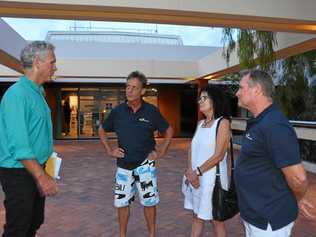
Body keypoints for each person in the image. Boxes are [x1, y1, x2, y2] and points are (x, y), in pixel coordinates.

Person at [234, 69, 315, 237]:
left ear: (257, 90)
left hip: (269, 220)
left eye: (241, 88)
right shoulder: (259, 121)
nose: (237, 93)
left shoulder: (274, 125)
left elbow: (298, 178)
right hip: (255, 215)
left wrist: (299, 198)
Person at [99, 70, 173, 237]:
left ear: (142, 91)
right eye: (127, 87)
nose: (129, 90)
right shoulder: (118, 111)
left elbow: (169, 130)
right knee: (121, 203)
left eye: (134, 87)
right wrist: (110, 150)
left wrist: (161, 152)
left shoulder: (151, 111)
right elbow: (102, 130)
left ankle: (152, 234)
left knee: (149, 202)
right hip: (123, 167)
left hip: (145, 165)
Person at [0, 41, 59, 237]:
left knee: (34, 221)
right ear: (37, 62)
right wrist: (42, 177)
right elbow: (20, 145)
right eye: (52, 62)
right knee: (18, 228)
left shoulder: (37, 93)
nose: (55, 67)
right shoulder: (17, 95)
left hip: (35, 167)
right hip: (19, 172)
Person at [183, 86, 231, 237]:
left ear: (215, 100)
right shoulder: (200, 124)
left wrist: (197, 172)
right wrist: (190, 172)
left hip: (212, 180)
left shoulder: (222, 123)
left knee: (216, 220)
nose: (200, 101)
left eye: (204, 98)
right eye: (199, 98)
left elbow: (219, 155)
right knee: (197, 216)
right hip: (196, 179)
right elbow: (191, 149)